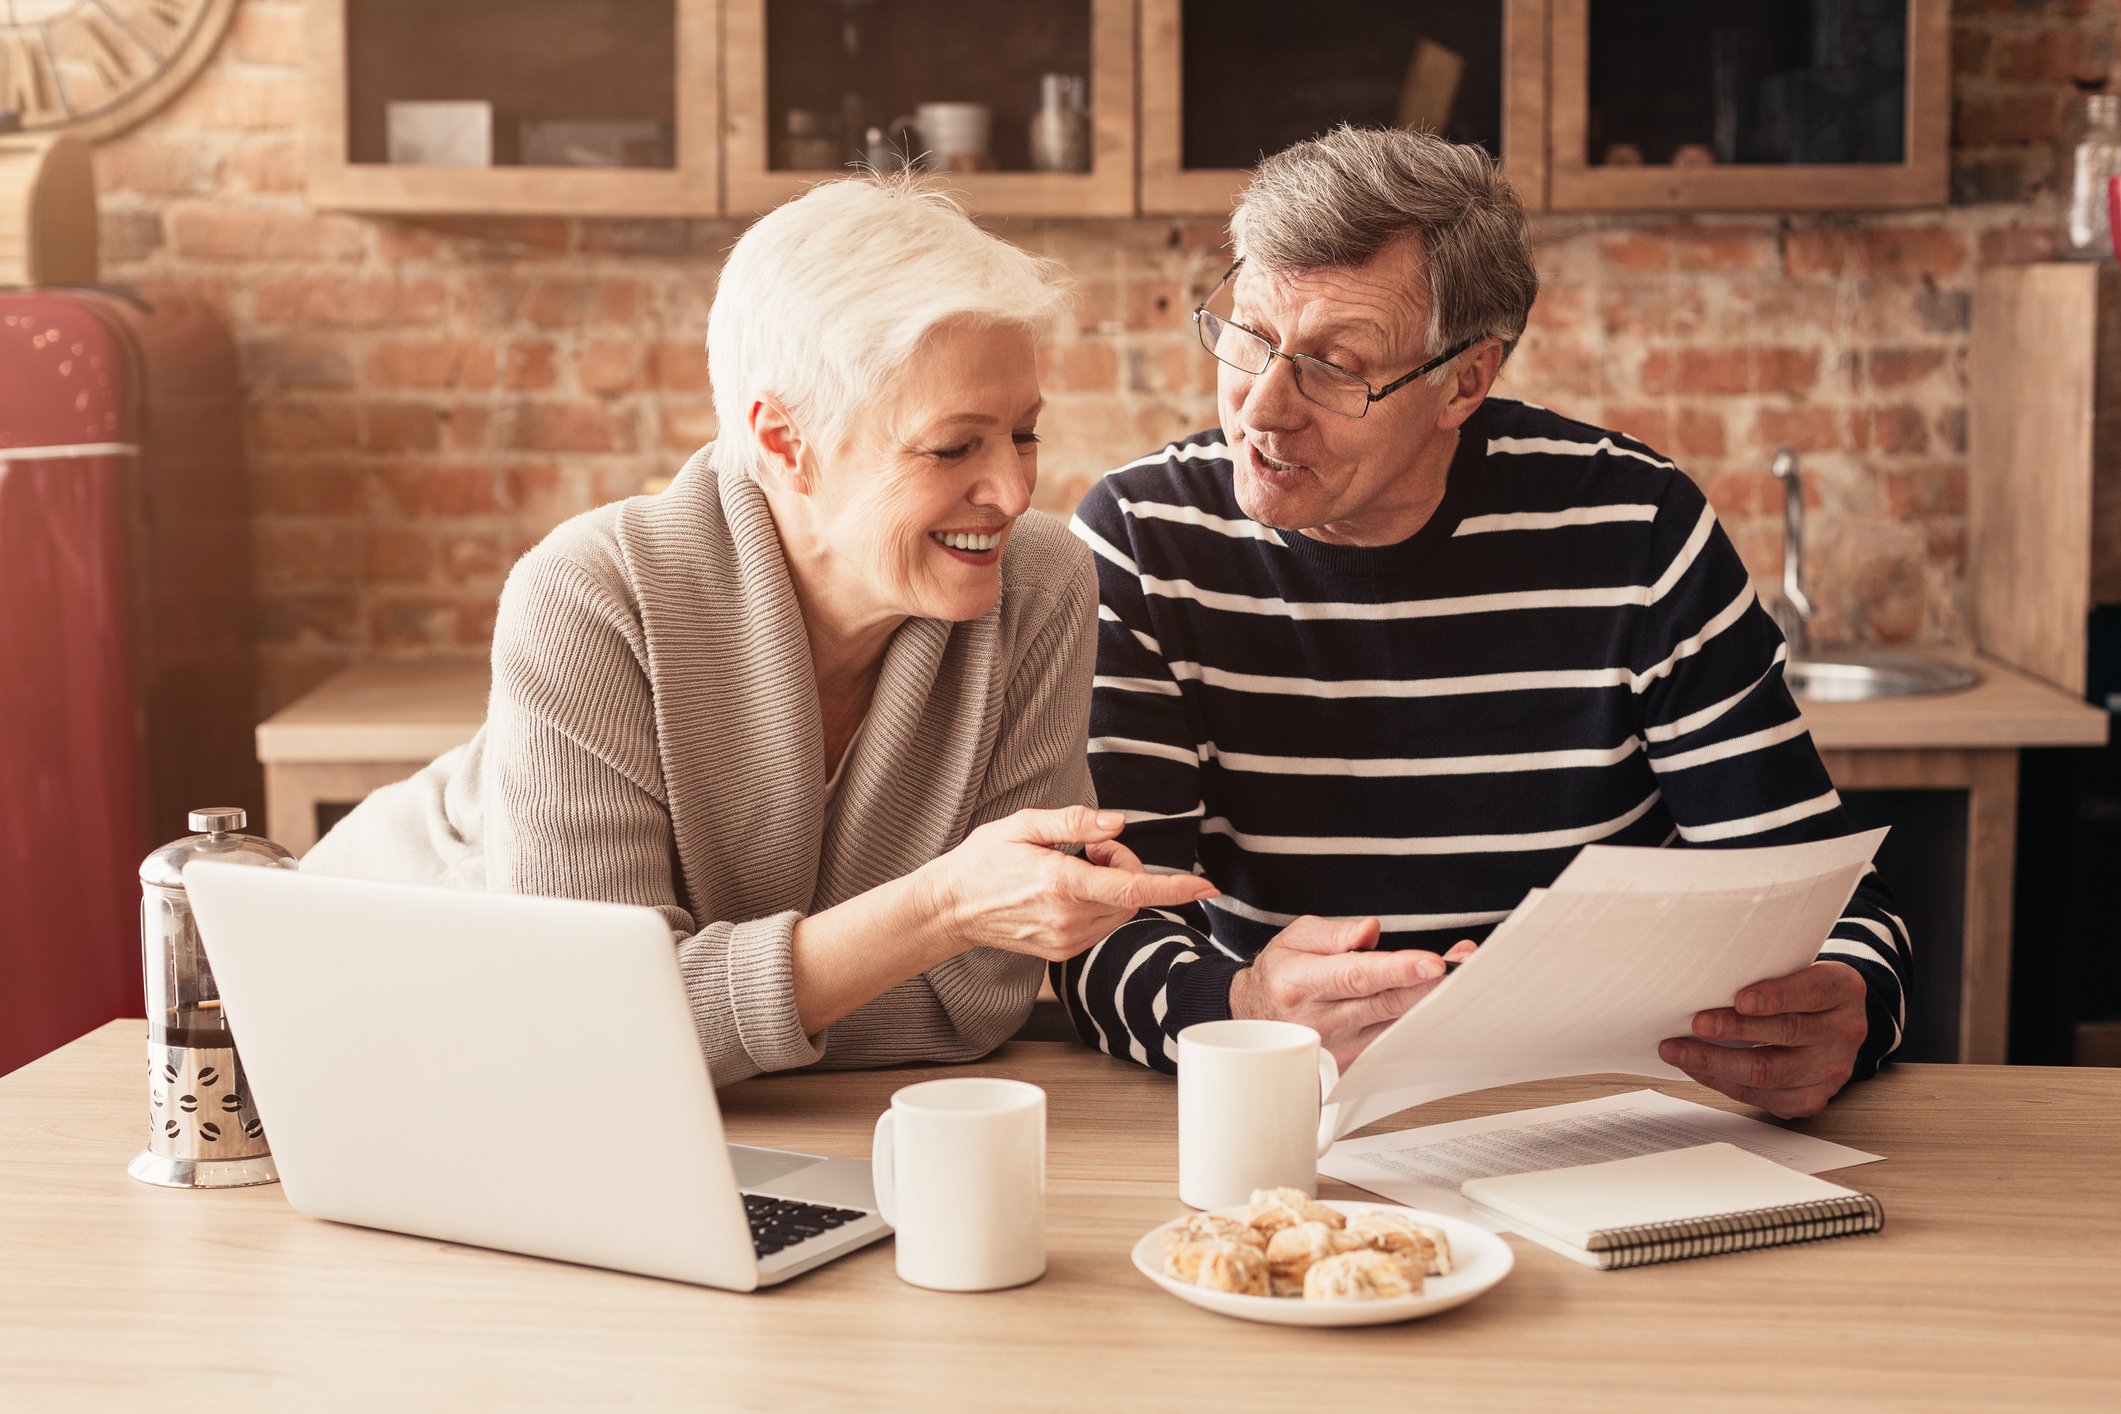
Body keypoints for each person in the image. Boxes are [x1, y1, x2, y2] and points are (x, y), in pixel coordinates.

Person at [1055, 128, 1909, 1120]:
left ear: (1466, 380)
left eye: (1336, 366)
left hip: (1603, 1111)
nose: (1264, 410)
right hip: (1291, 1113)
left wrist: (1846, 1003)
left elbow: (1826, 900)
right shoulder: (1143, 537)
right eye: (1248, 335)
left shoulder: (1636, 529)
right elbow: (1098, 930)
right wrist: (1242, 1006)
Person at [305, 177, 1214, 1084]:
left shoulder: (1040, 582)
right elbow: (587, 1030)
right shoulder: (587, 595)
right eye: (952, 447)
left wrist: (691, 1006)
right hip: (357, 1025)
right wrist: (937, 912)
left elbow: (973, 1006)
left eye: (1022, 434)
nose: (1013, 493)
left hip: (666, 1103)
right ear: (784, 444)